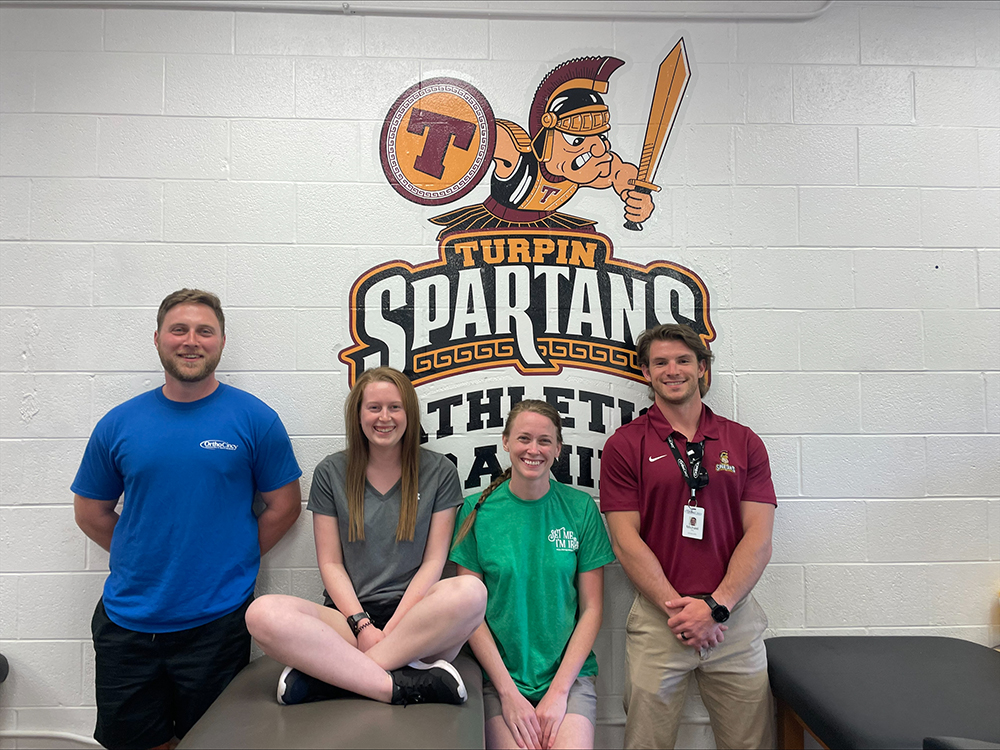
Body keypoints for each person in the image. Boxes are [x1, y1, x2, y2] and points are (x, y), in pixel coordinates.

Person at [72, 289, 303, 750]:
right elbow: (92, 512)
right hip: (127, 623)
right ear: (157, 338)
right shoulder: (118, 424)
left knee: (210, 742)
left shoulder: (255, 419)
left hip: (215, 624)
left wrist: (229, 558)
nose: (191, 341)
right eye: (179, 329)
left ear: (220, 341)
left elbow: (285, 507)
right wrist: (144, 555)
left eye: (204, 331)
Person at [245, 366, 487, 707]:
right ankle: (399, 682)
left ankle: (335, 679)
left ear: (410, 413)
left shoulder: (440, 472)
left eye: (395, 407)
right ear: (358, 414)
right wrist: (362, 625)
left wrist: (392, 630)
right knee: (261, 614)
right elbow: (330, 563)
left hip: (418, 623)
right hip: (349, 621)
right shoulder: (331, 472)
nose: (384, 417)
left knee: (471, 592)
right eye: (374, 407)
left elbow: (434, 562)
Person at [600, 324, 777, 749]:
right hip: (661, 618)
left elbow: (759, 536)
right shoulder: (625, 445)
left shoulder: (743, 441)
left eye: (683, 360)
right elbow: (626, 542)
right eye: (660, 362)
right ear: (645, 372)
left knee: (750, 743)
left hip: (733, 618)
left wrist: (716, 607)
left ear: (702, 367)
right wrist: (682, 613)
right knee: (646, 743)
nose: (672, 370)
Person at [450, 400, 615, 750]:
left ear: (558, 448)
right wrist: (509, 694)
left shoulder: (580, 508)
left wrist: (558, 693)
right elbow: (470, 616)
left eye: (544, 441)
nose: (534, 449)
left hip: (569, 678)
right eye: (524, 438)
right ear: (506, 442)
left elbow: (593, 610)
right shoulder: (476, 510)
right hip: (499, 679)